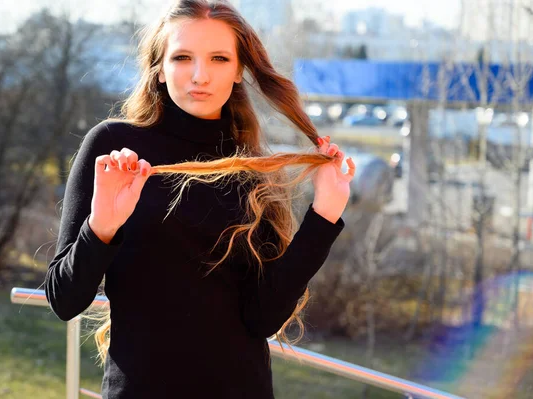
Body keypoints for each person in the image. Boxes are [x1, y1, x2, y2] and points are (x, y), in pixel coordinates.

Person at [44, 0, 355, 398]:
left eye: (219, 58)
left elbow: (262, 319)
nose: (200, 75)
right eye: (182, 57)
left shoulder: (254, 170)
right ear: (158, 69)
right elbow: (64, 300)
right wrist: (101, 226)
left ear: (240, 70)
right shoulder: (114, 149)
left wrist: (325, 214)